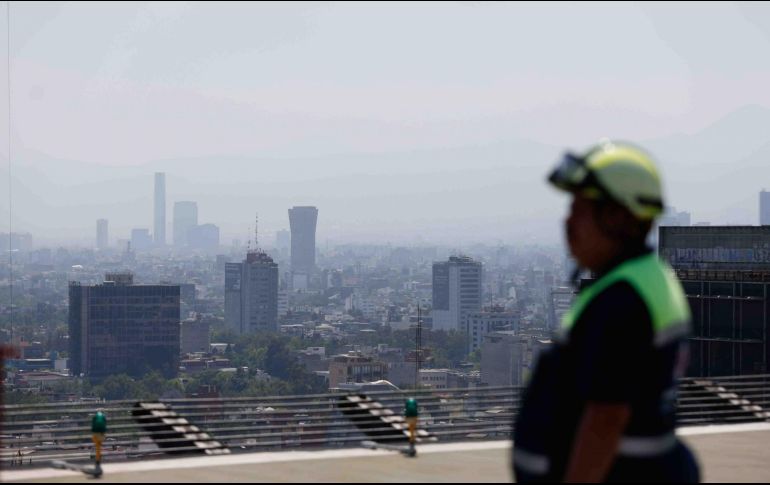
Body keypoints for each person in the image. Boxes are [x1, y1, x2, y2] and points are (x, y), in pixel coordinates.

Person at [512, 140, 700, 483]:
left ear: (619, 218)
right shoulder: (649, 278)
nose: (568, 223)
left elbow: (606, 418)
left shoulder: (622, 300)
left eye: (581, 210)